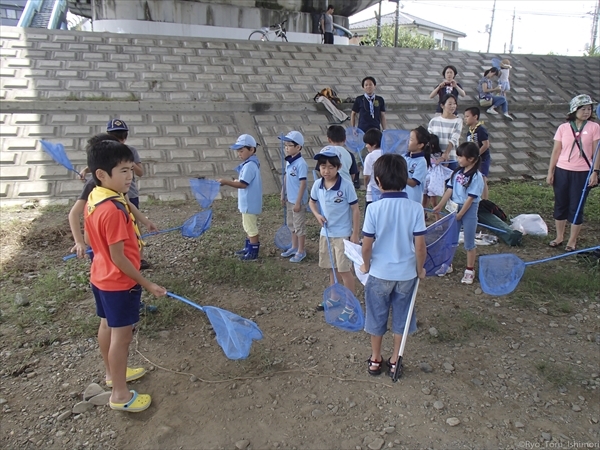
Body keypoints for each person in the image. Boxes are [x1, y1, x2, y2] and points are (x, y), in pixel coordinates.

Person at [84, 140, 166, 413]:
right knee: (123, 336)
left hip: (100, 276)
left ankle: (112, 374)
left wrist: (143, 221)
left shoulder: (97, 198)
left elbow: (90, 238)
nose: (130, 177)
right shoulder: (112, 212)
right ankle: (119, 394)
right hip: (120, 284)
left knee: (106, 326)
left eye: (131, 170)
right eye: (123, 171)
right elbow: (119, 257)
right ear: (102, 174)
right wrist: (147, 283)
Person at [359, 153, 427, 378]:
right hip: (407, 274)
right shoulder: (416, 208)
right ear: (404, 177)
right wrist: (420, 269)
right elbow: (420, 247)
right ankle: (396, 359)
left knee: (376, 316)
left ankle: (376, 359)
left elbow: (367, 245)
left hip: (379, 273)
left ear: (377, 181)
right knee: (402, 316)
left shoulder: (374, 209)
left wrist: (365, 265)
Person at [79, 119, 151, 269]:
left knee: (132, 227)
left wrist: (130, 164)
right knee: (117, 233)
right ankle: (119, 259)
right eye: (114, 137)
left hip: (129, 194)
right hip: (115, 198)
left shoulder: (130, 151)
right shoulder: (98, 196)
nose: (119, 140)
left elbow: (141, 172)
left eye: (121, 136)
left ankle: (137, 257)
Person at [547, 94, 600, 252]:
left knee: (577, 205)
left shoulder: (594, 127)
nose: (586, 112)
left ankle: (572, 240)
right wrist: (551, 171)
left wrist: (595, 172)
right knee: (561, 203)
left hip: (583, 172)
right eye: (583, 109)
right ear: (574, 110)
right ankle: (559, 236)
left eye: (589, 109)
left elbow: (597, 152)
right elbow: (556, 151)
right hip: (563, 170)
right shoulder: (563, 128)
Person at [309, 150, 360, 312]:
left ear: (338, 167)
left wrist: (355, 233)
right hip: (326, 234)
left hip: (342, 235)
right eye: (323, 167)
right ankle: (334, 298)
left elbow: (356, 210)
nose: (326, 171)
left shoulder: (346, 185)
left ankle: (350, 305)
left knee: (344, 270)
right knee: (332, 268)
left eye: (331, 167)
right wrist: (317, 215)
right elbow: (312, 202)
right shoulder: (318, 185)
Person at [433, 142, 484, 284]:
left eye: (461, 157)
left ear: (471, 159)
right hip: (454, 208)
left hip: (468, 209)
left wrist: (461, 214)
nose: (459, 159)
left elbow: (471, 198)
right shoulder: (457, 173)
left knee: (469, 241)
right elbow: (449, 190)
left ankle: (469, 270)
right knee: (450, 239)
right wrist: (440, 205)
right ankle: (447, 264)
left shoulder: (477, 177)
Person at [217, 134, 263, 261]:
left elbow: (243, 184)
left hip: (249, 203)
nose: (239, 154)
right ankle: (248, 248)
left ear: (252, 150)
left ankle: (253, 253)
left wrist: (226, 182)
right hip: (248, 202)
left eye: (241, 150)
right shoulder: (250, 164)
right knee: (247, 226)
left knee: (250, 228)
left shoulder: (249, 166)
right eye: (238, 151)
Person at [279, 131, 308, 263]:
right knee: (291, 224)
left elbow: (303, 184)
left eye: (289, 145)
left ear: (298, 147)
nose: (286, 148)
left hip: (298, 201)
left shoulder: (301, 164)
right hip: (289, 199)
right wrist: (282, 193)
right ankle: (294, 246)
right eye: (285, 145)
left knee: (299, 226)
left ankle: (301, 250)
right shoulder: (289, 161)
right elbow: (286, 178)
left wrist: (298, 202)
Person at [427, 94, 462, 170]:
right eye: (450, 104)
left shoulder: (458, 121)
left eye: (454, 104)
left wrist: (446, 153)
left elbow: (454, 139)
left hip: (451, 157)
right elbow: (430, 139)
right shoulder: (433, 121)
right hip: (435, 159)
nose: (453, 106)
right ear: (442, 105)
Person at [464, 106, 491, 200]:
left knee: (482, 179)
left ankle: (485, 201)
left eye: (467, 116)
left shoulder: (480, 130)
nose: (465, 119)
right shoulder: (469, 132)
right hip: (472, 160)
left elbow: (486, 144)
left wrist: (476, 155)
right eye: (465, 117)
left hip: (482, 159)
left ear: (475, 117)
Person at [404, 126, 432, 204]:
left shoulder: (421, 162)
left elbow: (413, 182)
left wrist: (398, 177)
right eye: (408, 138)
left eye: (411, 140)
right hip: (401, 198)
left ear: (420, 145)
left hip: (413, 200)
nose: (408, 141)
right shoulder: (404, 157)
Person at [362, 128, 383, 209]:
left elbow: (366, 176)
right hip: (384, 192)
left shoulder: (370, 156)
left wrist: (365, 185)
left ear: (374, 144)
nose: (366, 146)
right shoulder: (386, 154)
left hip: (372, 193)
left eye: (367, 143)